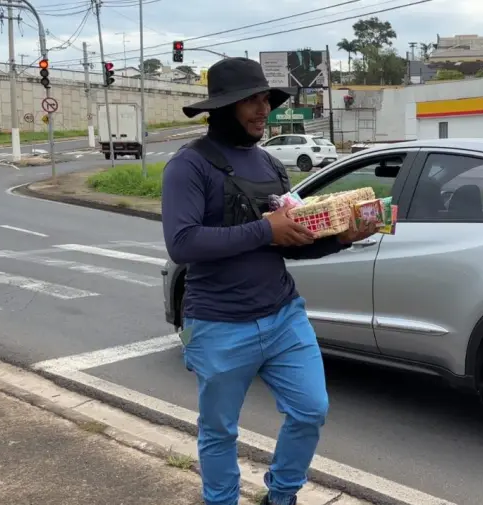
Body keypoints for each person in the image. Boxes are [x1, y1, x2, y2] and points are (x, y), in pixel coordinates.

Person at [161, 57, 378, 505]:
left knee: (311, 409)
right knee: (219, 429)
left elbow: (290, 242)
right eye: (252, 100)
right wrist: (266, 229)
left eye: (266, 99)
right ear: (222, 107)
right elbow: (182, 243)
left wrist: (341, 238)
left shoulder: (270, 166)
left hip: (282, 316)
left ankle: (281, 496)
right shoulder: (189, 166)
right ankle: (220, 500)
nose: (264, 109)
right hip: (219, 323)